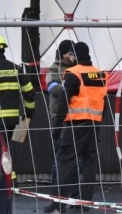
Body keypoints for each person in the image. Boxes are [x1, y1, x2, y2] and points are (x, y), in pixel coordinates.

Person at [55, 42, 107, 209]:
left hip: (74, 125)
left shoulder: (73, 74)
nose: (70, 58)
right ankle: (84, 204)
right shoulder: (99, 74)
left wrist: (56, 127)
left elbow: (63, 103)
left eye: (71, 55)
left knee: (65, 162)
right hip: (93, 125)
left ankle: (59, 204)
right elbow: (103, 101)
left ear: (75, 55)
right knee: (89, 164)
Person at [0, 34, 36, 158]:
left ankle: (3, 175)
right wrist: (28, 112)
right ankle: (7, 174)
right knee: (4, 148)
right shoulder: (16, 68)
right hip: (11, 121)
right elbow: (29, 92)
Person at [43, 40, 77, 212]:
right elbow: (52, 88)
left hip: (76, 119)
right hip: (59, 120)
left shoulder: (77, 69)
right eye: (70, 53)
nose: (73, 56)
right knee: (59, 161)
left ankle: (75, 198)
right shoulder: (54, 69)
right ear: (64, 53)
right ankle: (56, 200)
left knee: (76, 162)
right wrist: (70, 87)